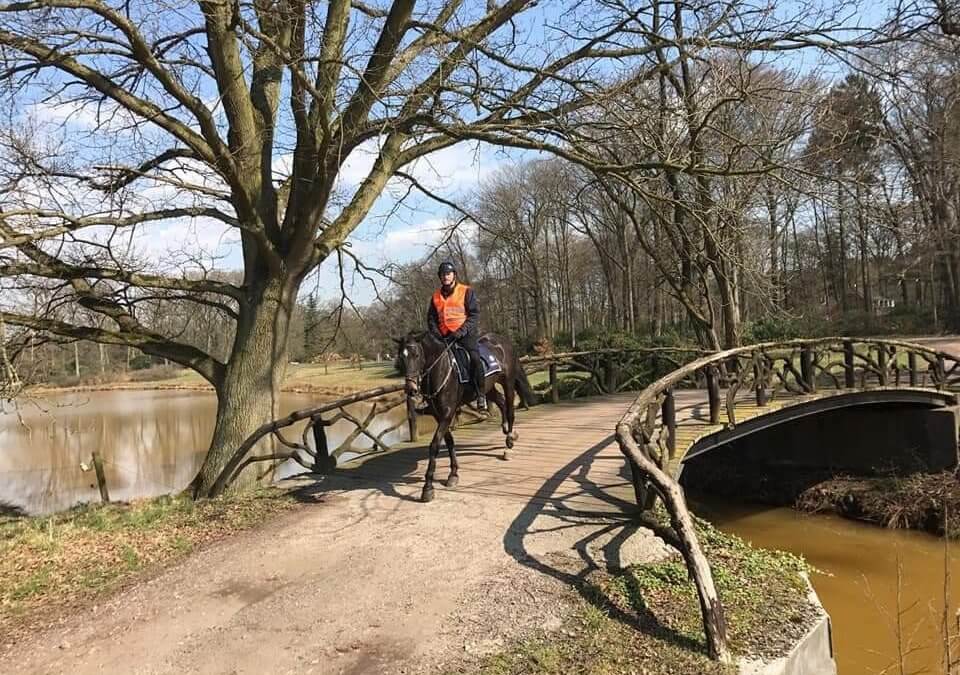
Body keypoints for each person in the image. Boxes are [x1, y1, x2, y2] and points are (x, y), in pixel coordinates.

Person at [427, 261, 487, 411]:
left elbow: (474, 315)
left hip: (464, 334)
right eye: (443, 274)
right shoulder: (435, 297)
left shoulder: (466, 291)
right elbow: (431, 319)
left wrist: (461, 331)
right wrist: (437, 334)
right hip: (444, 336)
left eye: (448, 274)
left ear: (454, 275)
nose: (445, 277)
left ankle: (481, 394)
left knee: (474, 358)